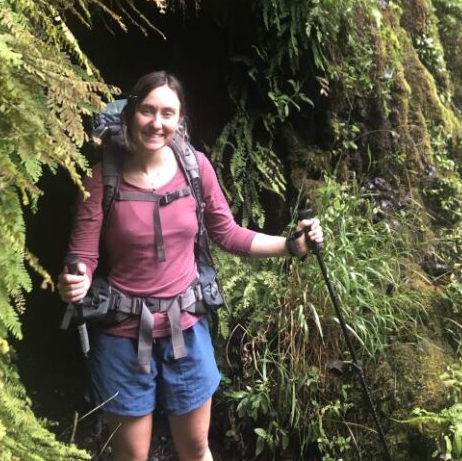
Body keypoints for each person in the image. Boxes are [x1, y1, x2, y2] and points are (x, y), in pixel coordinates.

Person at [57, 70, 323, 461]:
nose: (156, 122)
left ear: (180, 120)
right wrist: (74, 280)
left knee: (196, 449)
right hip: (122, 334)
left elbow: (228, 233)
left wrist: (290, 245)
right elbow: (82, 255)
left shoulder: (196, 168)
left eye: (168, 113)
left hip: (187, 328)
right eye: (147, 111)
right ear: (132, 113)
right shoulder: (100, 180)